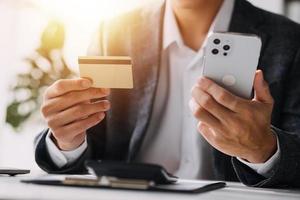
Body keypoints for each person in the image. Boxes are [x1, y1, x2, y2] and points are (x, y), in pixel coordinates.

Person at [35, 0, 300, 187]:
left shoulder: (288, 40)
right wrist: (67, 140)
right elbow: (89, 140)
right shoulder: (113, 32)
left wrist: (263, 149)